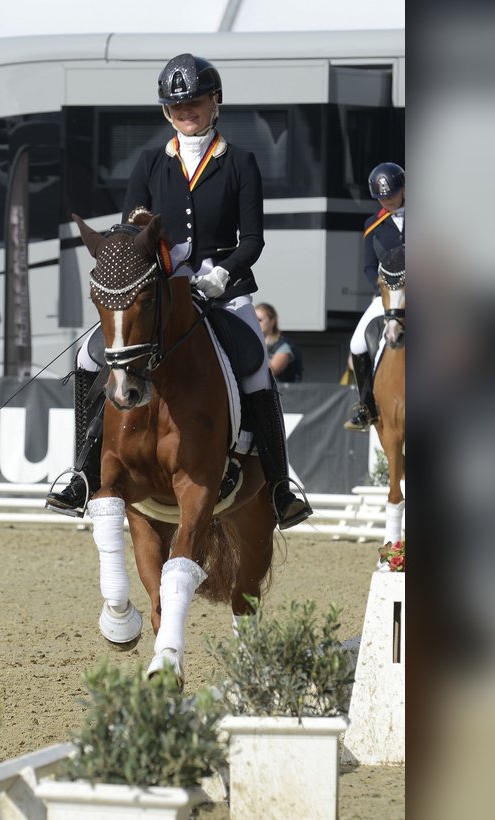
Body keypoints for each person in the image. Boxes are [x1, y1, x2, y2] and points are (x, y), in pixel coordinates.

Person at [46, 53, 312, 529]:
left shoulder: (240, 163)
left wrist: (222, 273)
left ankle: (277, 485)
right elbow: (131, 230)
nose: (187, 110)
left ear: (215, 103)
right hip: (161, 288)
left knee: (254, 365)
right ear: (167, 112)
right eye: (178, 105)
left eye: (195, 101)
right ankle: (82, 473)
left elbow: (253, 239)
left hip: (221, 287)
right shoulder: (150, 162)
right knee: (90, 357)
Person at [344, 162, 405, 431]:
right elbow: (369, 266)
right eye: (382, 197)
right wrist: (381, 287)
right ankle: (366, 405)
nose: (387, 200)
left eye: (391, 194)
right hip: (389, 297)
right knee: (357, 344)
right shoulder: (373, 225)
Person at [256, 303, 303, 383]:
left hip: (284, 394)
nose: (255, 323)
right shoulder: (252, 344)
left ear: (272, 321)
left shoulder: (283, 346)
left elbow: (270, 372)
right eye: (253, 319)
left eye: (259, 320)